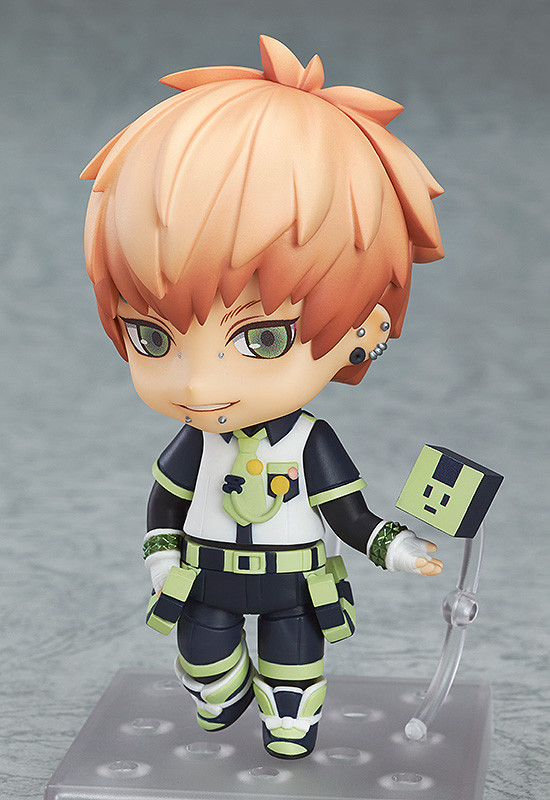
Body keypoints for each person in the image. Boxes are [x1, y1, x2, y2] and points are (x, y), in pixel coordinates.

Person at [81, 35, 444, 759]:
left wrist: (398, 549)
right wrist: (160, 561)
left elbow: (347, 514)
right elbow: (165, 505)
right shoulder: (197, 441)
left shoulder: (310, 443)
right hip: (206, 580)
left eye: (262, 338)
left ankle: (288, 724)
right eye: (153, 337)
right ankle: (222, 695)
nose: (198, 383)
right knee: (205, 674)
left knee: (292, 682)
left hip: (293, 586)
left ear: (366, 327)